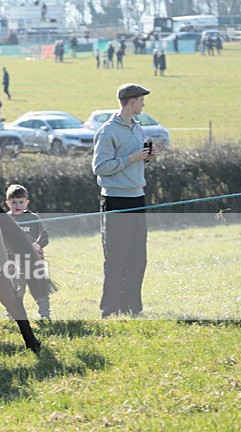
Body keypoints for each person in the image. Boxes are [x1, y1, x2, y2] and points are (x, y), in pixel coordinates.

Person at [92, 83, 156, 319]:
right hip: (116, 200)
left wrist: (146, 157)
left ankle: (132, 306)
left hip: (138, 197)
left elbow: (135, 159)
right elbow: (99, 167)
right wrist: (131, 158)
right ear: (131, 102)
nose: (143, 104)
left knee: (138, 256)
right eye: (141, 100)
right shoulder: (108, 131)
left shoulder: (138, 127)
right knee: (116, 257)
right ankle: (109, 309)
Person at [5, 184, 50, 320]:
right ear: (7, 203)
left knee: (40, 289)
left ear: (27, 202)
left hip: (34, 261)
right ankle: (13, 315)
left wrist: (37, 244)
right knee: (17, 288)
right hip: (13, 262)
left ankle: (45, 315)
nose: (17, 205)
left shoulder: (33, 218)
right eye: (13, 202)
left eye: (21, 202)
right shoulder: (6, 219)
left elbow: (44, 237)